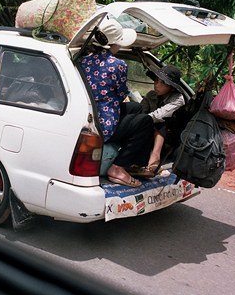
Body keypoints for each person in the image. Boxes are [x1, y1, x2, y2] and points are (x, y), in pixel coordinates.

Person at [80, 17, 154, 187]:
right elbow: (121, 94)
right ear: (114, 44)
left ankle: (132, 161)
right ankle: (119, 167)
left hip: (89, 113)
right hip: (104, 124)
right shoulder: (117, 65)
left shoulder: (83, 60)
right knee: (145, 122)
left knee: (135, 108)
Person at [140, 65, 186, 174]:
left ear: (171, 87)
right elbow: (141, 109)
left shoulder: (178, 99)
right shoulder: (151, 95)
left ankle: (155, 156)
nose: (157, 85)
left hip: (170, 134)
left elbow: (158, 116)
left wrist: (140, 121)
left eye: (162, 83)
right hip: (149, 128)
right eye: (156, 81)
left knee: (161, 122)